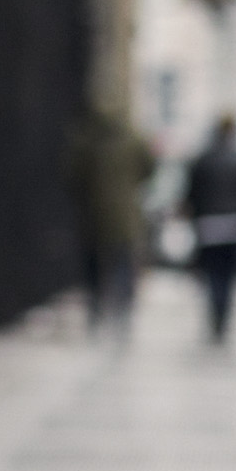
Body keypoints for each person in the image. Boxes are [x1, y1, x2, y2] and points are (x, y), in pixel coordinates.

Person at [66, 106, 154, 335]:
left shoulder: (87, 139)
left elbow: (73, 174)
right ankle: (120, 316)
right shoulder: (132, 140)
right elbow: (149, 168)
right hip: (124, 215)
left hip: (94, 213)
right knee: (122, 263)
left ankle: (96, 313)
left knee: (95, 265)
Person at [185, 113, 236, 343]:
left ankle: (217, 316)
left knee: (214, 275)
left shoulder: (204, 160)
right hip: (235, 226)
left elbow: (192, 193)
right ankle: (223, 317)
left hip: (209, 225)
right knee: (228, 277)